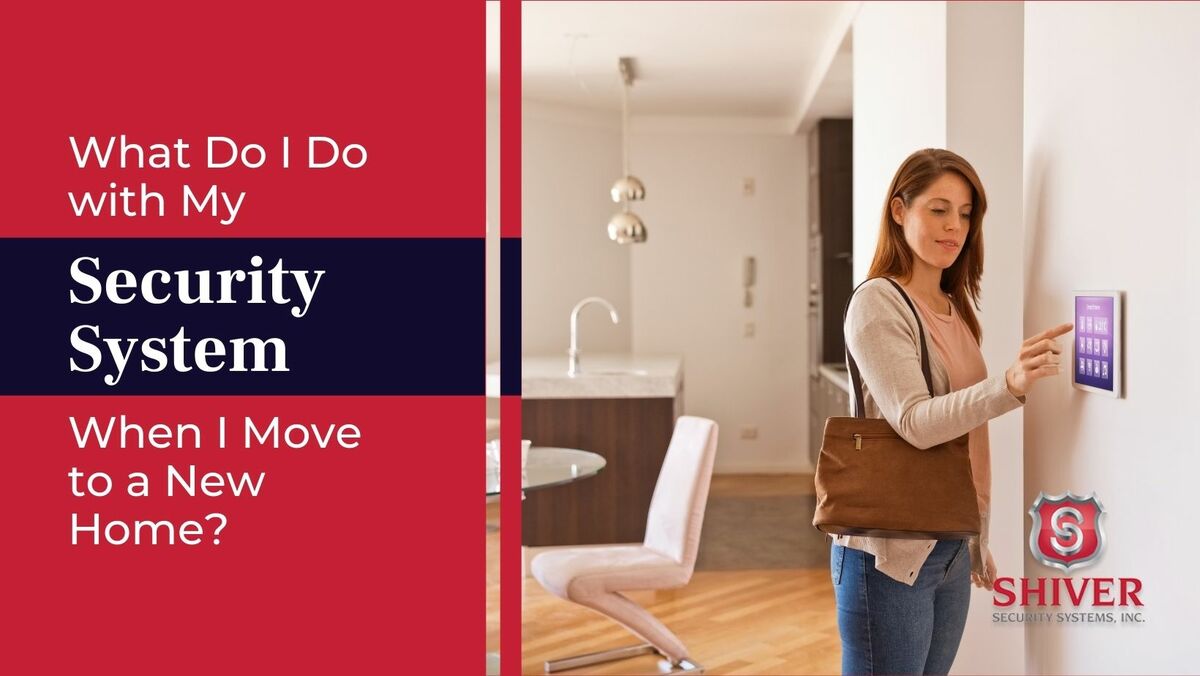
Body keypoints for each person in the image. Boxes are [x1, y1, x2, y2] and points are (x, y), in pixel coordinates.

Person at [830, 148, 1072, 675]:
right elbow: (915, 422)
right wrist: (1008, 384)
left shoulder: (951, 305)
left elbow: (969, 439)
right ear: (900, 210)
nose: (954, 227)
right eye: (938, 209)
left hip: (948, 543)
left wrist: (976, 536)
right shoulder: (879, 301)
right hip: (889, 556)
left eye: (966, 213)